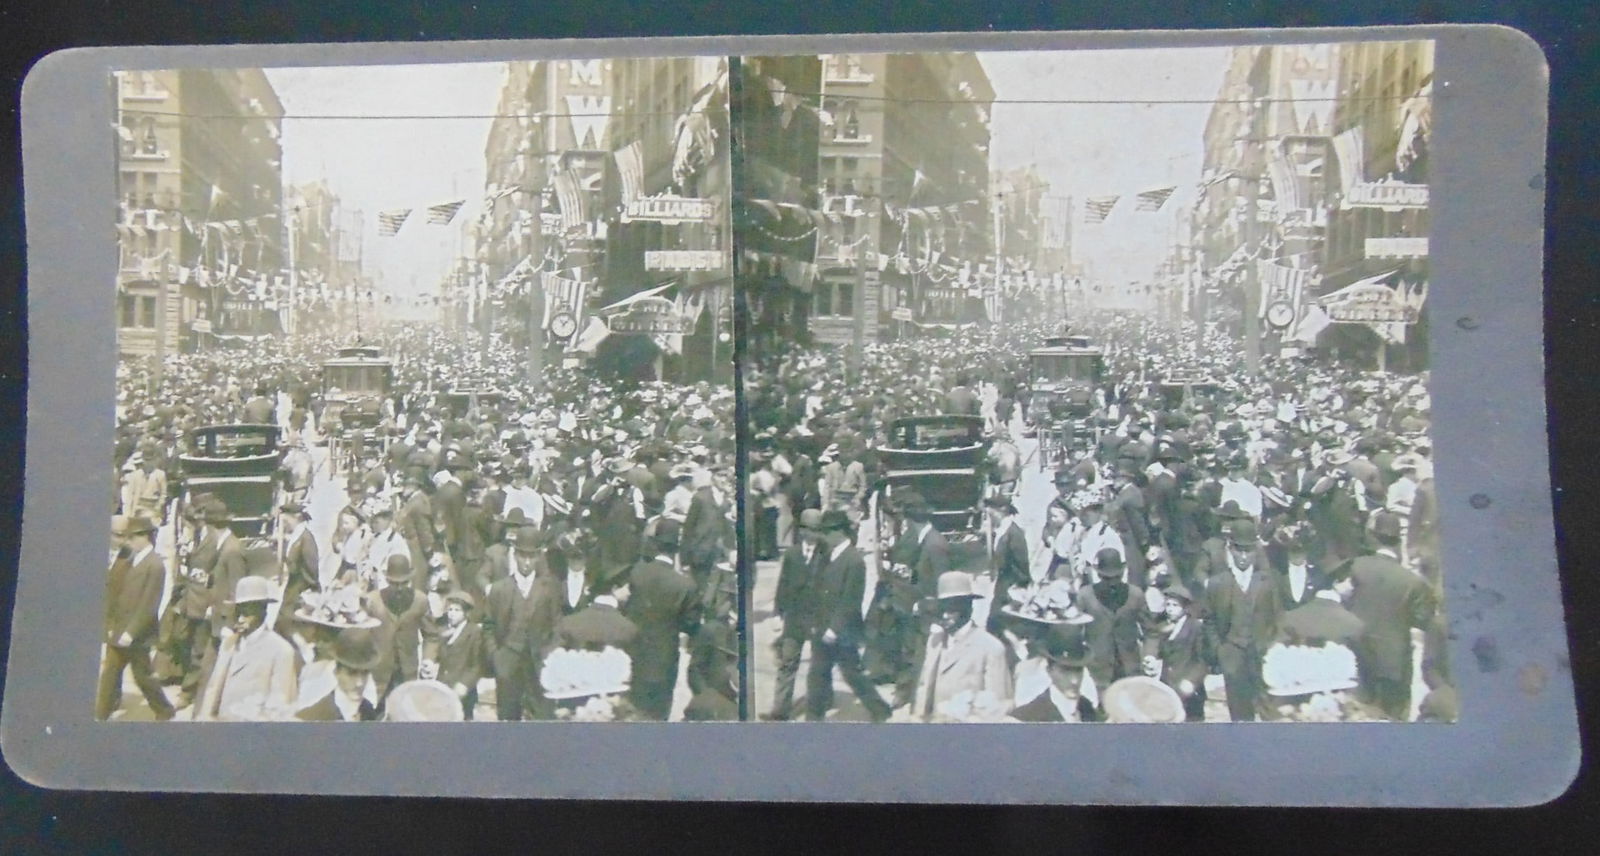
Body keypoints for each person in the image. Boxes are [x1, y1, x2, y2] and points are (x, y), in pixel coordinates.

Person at [1342, 511, 1436, 721]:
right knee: (1394, 722)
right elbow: (1424, 620)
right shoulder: (1412, 582)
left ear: (1373, 537)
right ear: (1398, 541)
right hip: (1394, 664)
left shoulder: (1354, 567)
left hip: (1357, 657)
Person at [806, 510, 893, 722]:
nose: (824, 536)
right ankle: (813, 719)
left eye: (827, 532)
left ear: (840, 532)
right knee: (817, 675)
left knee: (852, 674)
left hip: (843, 630)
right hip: (823, 626)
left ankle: (880, 710)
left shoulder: (854, 560)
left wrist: (833, 630)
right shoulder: (827, 555)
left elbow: (850, 601)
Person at [864, 491, 948, 706]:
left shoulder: (934, 543)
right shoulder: (920, 537)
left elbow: (940, 580)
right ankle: (901, 684)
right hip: (906, 600)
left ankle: (905, 692)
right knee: (904, 645)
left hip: (921, 604)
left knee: (912, 649)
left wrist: (931, 605)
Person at [1201, 518, 1282, 722]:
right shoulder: (1218, 583)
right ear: (1230, 549)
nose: (1244, 557)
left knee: (1270, 714)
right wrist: (1220, 651)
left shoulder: (1268, 581)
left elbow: (1278, 617)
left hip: (1263, 656)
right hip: (1232, 656)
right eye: (1239, 550)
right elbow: (1209, 620)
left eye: (1249, 550)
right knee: (1239, 715)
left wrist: (1273, 647)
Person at [96, 516, 176, 721]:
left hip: (138, 634)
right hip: (121, 629)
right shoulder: (133, 559)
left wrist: (131, 633)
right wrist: (113, 626)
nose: (128, 542)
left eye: (132, 538)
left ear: (145, 537)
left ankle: (164, 710)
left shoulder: (155, 565)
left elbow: (149, 605)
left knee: (143, 677)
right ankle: (100, 715)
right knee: (110, 673)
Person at [480, 526, 562, 721]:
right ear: (514, 555)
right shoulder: (499, 589)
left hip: (539, 665)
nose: (526, 562)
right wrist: (496, 657)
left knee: (542, 720)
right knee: (508, 720)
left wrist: (549, 656)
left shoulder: (549, 587)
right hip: (507, 664)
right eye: (522, 556)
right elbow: (488, 626)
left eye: (531, 556)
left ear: (539, 557)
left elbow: (557, 626)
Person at [622, 520, 700, 721]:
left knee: (633, 712)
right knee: (659, 714)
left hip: (635, 654)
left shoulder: (637, 573)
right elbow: (690, 626)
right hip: (664, 658)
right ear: (676, 549)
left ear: (655, 545)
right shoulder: (685, 585)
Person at [194, 577, 299, 722]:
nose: (240, 618)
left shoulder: (281, 651)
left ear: (263, 611)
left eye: (248, 612)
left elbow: (279, 709)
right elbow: (213, 690)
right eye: (238, 611)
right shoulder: (229, 643)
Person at [912, 572, 1014, 722]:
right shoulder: (935, 641)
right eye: (941, 608)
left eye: (952, 608)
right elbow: (924, 690)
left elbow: (998, 708)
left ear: (968, 607)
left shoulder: (990, 647)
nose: (945, 615)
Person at [764, 508, 822, 721]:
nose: (814, 534)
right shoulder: (792, 554)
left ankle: (820, 703)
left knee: (819, 665)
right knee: (787, 663)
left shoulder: (827, 554)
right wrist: (777, 613)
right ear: (802, 530)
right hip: (794, 618)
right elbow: (783, 584)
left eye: (817, 530)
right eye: (810, 529)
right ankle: (780, 710)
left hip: (818, 618)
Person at [1076, 547, 1147, 702]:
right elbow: (1074, 631)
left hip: (1129, 669)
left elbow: (1151, 630)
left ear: (1122, 573)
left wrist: (1150, 655)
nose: (1112, 583)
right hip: (1097, 671)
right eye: (1107, 578)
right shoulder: (1085, 596)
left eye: (1116, 577)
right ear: (1099, 574)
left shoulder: (1135, 595)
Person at [1144, 581, 1208, 722]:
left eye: (1175, 605)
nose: (1170, 609)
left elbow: (1203, 661)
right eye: (1168, 605)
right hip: (1167, 687)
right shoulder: (1161, 626)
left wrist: (1191, 680)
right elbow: (1153, 640)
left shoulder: (1195, 628)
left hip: (1190, 689)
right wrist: (1150, 656)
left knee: (1192, 726)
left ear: (1184, 608)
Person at [1008, 620, 1095, 722]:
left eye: (1078, 670)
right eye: (1065, 671)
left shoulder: (1090, 712)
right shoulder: (1027, 718)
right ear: (1049, 670)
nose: (1074, 680)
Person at [985, 496, 1031, 636]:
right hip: (1002, 582)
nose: (989, 515)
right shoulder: (1000, 530)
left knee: (998, 623)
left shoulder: (1014, 533)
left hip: (1011, 585)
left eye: (991, 511)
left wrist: (1018, 587)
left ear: (1002, 510)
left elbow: (1022, 563)